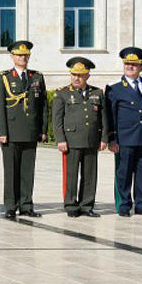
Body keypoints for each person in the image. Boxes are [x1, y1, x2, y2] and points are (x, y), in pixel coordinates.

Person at [0, 40, 48, 219]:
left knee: (27, 171)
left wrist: (43, 129)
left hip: (30, 130)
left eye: (25, 55)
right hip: (11, 132)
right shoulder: (4, 77)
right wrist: (2, 132)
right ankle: (10, 205)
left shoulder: (37, 77)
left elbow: (43, 106)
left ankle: (26, 205)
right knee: (11, 171)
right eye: (19, 55)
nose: (22, 58)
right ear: (12, 57)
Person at [105, 47, 142, 217]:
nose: (130, 67)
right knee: (124, 173)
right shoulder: (114, 89)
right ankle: (123, 205)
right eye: (127, 64)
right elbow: (110, 116)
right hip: (125, 139)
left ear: (141, 67)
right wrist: (112, 139)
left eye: (134, 65)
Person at [53, 57, 106, 218]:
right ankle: (71, 204)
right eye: (74, 74)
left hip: (91, 140)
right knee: (71, 174)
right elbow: (57, 119)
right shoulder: (62, 94)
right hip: (71, 141)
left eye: (81, 75)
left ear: (87, 76)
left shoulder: (97, 93)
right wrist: (60, 139)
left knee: (90, 175)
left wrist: (104, 138)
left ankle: (87, 205)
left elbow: (104, 118)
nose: (77, 78)